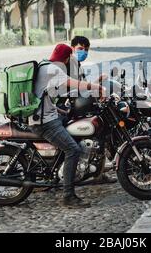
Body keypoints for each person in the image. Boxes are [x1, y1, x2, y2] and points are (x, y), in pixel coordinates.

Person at [29, 43, 106, 208]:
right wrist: (97, 87)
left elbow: (49, 95)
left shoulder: (45, 65)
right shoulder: (54, 69)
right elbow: (75, 84)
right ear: (65, 58)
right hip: (44, 123)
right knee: (73, 149)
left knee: (74, 123)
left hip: (49, 116)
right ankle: (68, 196)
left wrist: (62, 111)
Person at [69, 36, 117, 185]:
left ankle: (98, 173)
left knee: (101, 132)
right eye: (80, 49)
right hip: (68, 108)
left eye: (86, 50)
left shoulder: (78, 65)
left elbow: (82, 86)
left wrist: (97, 83)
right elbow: (73, 87)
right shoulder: (69, 65)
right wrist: (94, 87)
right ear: (72, 48)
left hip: (78, 104)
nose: (83, 52)